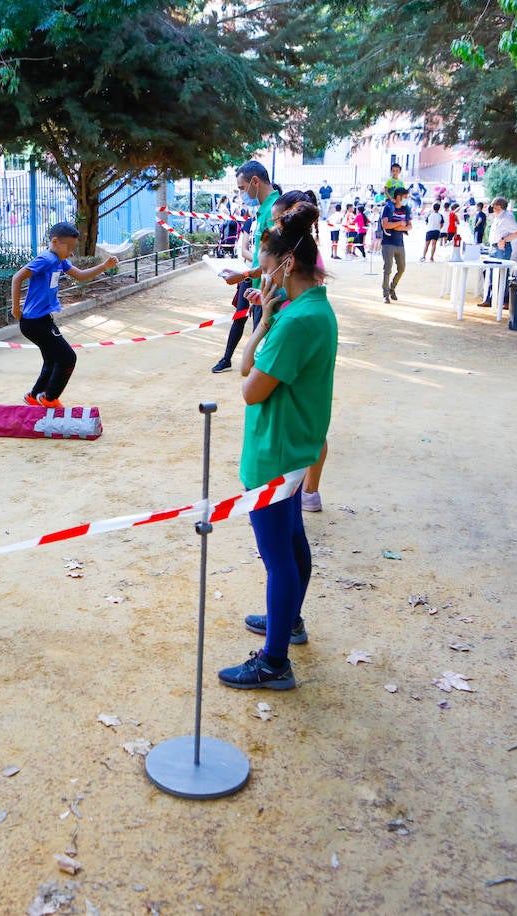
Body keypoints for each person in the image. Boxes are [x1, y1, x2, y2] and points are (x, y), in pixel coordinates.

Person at [217, 202, 338, 689]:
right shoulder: (311, 309)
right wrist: (262, 317)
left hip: (276, 451)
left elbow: (248, 388)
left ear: (286, 264)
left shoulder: (297, 322)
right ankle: (289, 621)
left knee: (278, 557)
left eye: (265, 268)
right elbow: (247, 366)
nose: (261, 278)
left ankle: (274, 661)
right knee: (291, 543)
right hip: (293, 445)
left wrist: (269, 323)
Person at [11, 222, 117, 408]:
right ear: (55, 242)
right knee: (68, 358)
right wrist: (16, 309)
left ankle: (33, 396)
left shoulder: (59, 260)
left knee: (52, 359)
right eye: (70, 248)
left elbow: (81, 275)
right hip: (35, 322)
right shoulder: (47, 259)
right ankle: (49, 398)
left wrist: (104, 266)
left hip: (41, 320)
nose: (72, 253)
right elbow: (17, 277)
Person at [212, 161, 282, 373]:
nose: (242, 193)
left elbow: (276, 260)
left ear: (255, 182)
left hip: (268, 289)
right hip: (258, 285)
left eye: (242, 188)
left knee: (261, 356)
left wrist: (244, 274)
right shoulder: (264, 211)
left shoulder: (274, 210)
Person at [477, 197, 517, 309]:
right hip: (495, 247)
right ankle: (490, 298)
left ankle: (505, 300)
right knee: (490, 273)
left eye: (493, 206)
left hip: (501, 249)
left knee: (502, 274)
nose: (491, 208)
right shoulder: (499, 217)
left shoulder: (507, 217)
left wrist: (505, 239)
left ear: (498, 206)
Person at [380, 186, 413, 303]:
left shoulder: (406, 209)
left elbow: (409, 226)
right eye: (404, 197)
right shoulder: (388, 207)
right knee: (388, 268)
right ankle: (385, 294)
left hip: (400, 243)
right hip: (388, 243)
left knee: (402, 268)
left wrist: (399, 227)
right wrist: (399, 223)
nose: (406, 199)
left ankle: (392, 288)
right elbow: (385, 224)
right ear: (398, 197)